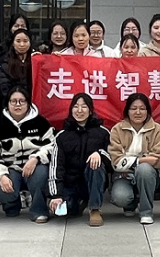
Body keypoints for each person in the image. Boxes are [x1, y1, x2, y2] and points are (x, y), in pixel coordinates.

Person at [0, 86, 55, 221]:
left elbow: (52, 146)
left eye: (22, 101)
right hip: (10, 169)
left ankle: (39, 210)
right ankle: (12, 206)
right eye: (13, 101)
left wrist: (35, 158)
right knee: (1, 188)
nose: (18, 105)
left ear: (28, 103)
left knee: (41, 175)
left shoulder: (41, 123)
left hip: (35, 167)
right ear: (8, 103)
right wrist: (2, 175)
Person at [47, 94, 111, 227]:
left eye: (84, 107)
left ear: (91, 110)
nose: (79, 110)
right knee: (66, 211)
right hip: (70, 184)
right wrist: (56, 195)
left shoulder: (103, 132)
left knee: (96, 164)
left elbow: (113, 159)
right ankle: (78, 204)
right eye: (76, 106)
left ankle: (94, 209)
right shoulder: (62, 136)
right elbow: (56, 166)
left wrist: (100, 154)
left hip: (93, 181)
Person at [108, 93, 160, 225]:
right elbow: (116, 161)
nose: (138, 112)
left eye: (142, 108)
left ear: (148, 111)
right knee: (120, 197)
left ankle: (146, 212)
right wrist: (141, 160)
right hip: (123, 176)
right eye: (133, 108)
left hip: (149, 176)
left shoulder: (157, 129)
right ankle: (130, 204)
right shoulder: (117, 129)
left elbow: (158, 159)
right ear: (127, 111)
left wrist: (128, 159)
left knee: (144, 169)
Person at [6, 28, 35, 92]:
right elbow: (4, 87)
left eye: (25, 41)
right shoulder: (5, 63)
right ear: (13, 43)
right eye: (18, 41)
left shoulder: (35, 61)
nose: (22, 44)